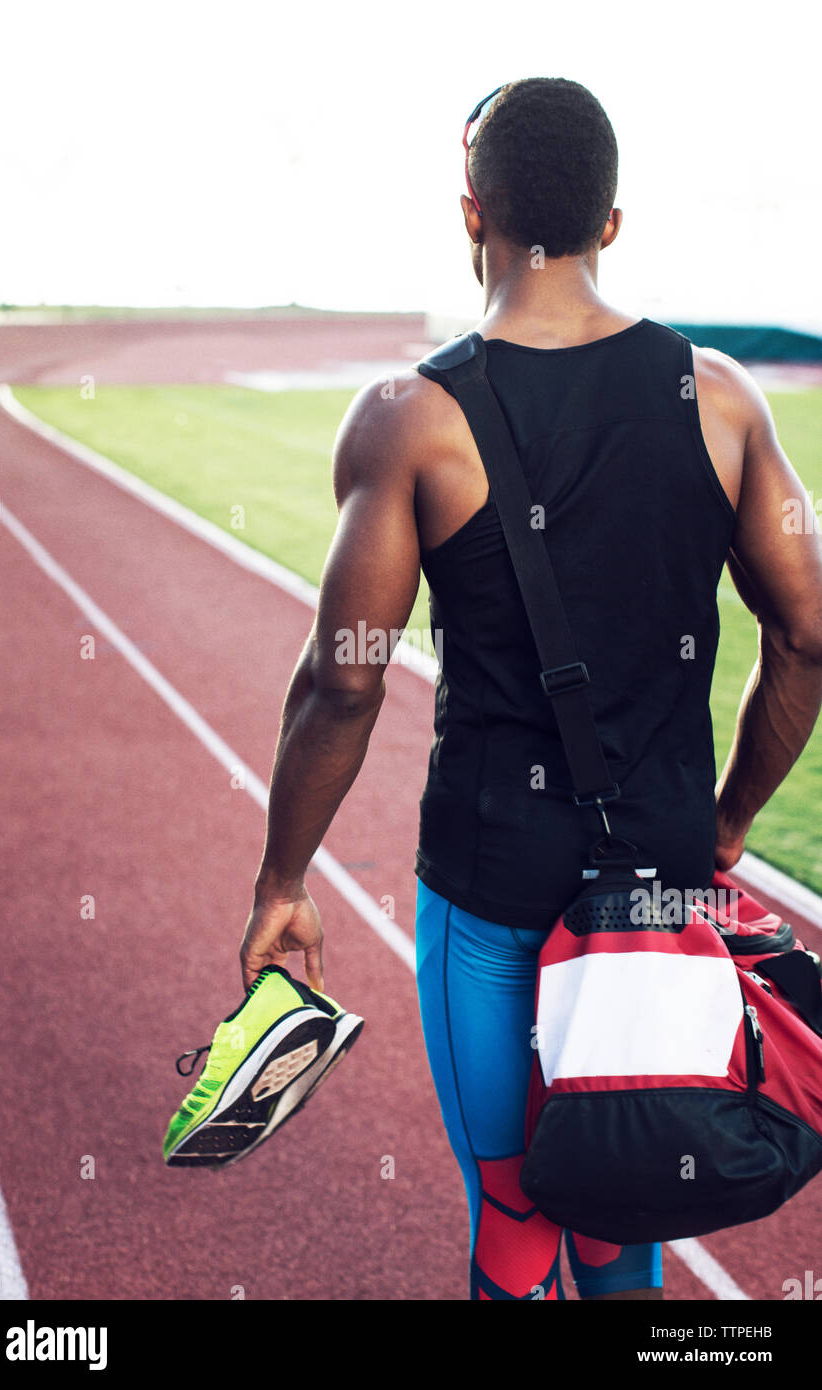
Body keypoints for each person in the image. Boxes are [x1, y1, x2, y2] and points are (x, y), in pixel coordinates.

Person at [239, 77, 822, 1300]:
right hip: (658, 878)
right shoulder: (716, 400)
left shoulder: (410, 419)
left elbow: (341, 686)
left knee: (514, 1214)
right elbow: (807, 633)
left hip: (491, 881)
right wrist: (718, 822)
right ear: (610, 221)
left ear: (472, 216)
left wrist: (284, 880)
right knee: (620, 1208)